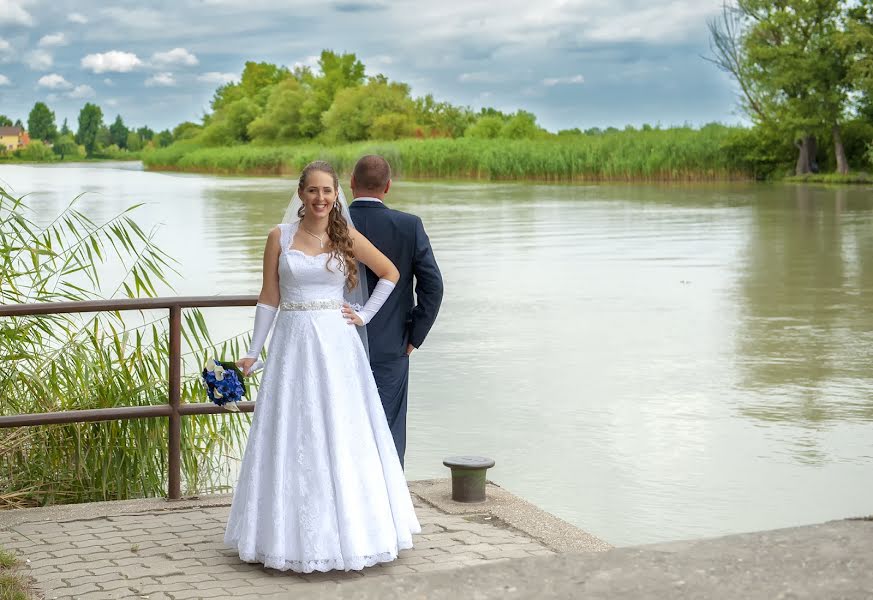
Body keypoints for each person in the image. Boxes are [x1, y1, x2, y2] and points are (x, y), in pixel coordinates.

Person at [224, 160, 420, 573]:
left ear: (337, 195)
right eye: (312, 191)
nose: (320, 198)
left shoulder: (345, 235)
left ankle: (353, 534)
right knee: (292, 430)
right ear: (300, 194)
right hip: (292, 343)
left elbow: (390, 273)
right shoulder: (279, 237)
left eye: (327, 192)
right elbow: (268, 297)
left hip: (335, 344)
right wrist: (255, 350)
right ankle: (281, 536)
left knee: (339, 427)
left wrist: (364, 314)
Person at [349, 155, 444, 467]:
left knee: (341, 427)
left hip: (335, 342)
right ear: (388, 186)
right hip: (391, 345)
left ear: (351, 184)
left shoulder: (330, 226)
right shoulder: (408, 226)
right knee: (387, 428)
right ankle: (389, 505)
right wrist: (414, 336)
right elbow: (432, 286)